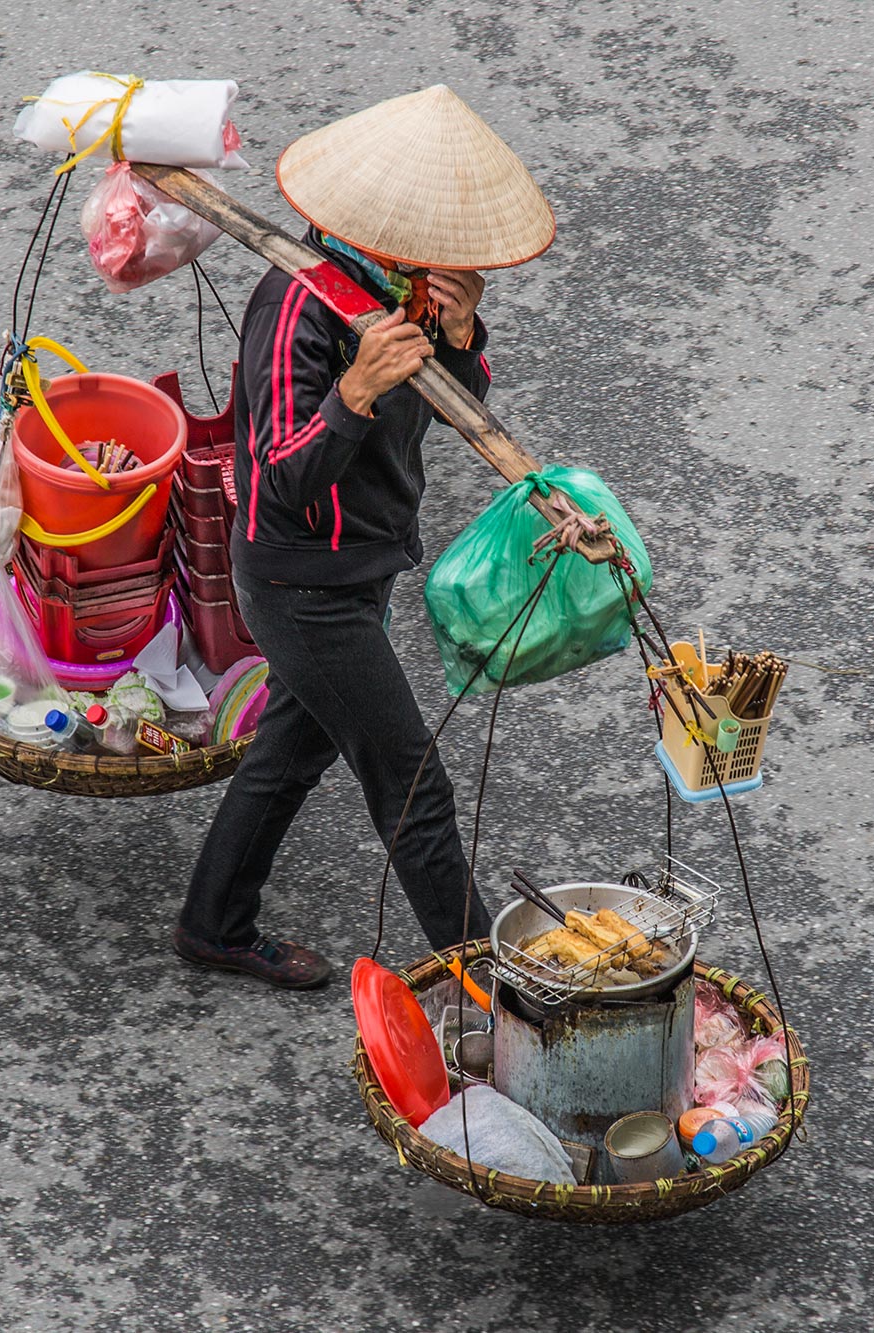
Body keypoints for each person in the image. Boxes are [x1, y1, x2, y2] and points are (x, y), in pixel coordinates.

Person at [172, 86, 558, 988]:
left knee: (289, 752)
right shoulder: (296, 307)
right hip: (303, 587)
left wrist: (460, 337)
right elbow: (277, 485)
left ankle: (212, 923)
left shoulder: (402, 294)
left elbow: (459, 405)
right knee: (414, 788)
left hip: (366, 567)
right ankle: (499, 993)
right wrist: (353, 394)